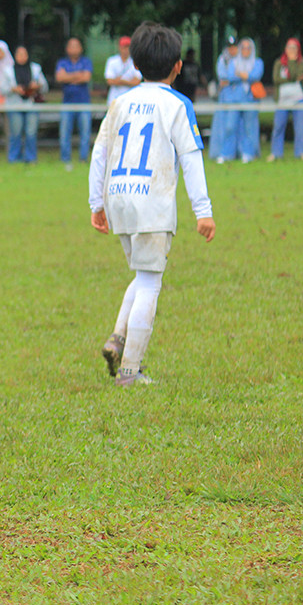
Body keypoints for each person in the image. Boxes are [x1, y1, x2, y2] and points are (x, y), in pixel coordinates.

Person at [88, 21, 215, 386]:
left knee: (143, 274)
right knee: (150, 282)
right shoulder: (178, 104)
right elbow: (191, 157)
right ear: (178, 65)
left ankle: (117, 337)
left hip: (120, 198)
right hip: (152, 201)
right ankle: (129, 372)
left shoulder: (120, 102)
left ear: (136, 65)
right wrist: (203, 211)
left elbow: (100, 154)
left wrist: (97, 202)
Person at [0, 45, 48, 164]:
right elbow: (2, 90)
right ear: (15, 56)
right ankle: (14, 158)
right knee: (15, 133)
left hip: (31, 105)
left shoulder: (36, 69)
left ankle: (31, 158)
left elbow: (45, 87)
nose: (22, 57)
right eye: (19, 54)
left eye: (24, 54)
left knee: (31, 133)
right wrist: (13, 89)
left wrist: (37, 86)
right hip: (14, 105)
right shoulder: (8, 70)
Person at [220, 37, 263, 163]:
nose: (245, 50)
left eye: (248, 48)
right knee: (230, 126)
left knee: (249, 127)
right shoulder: (234, 62)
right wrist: (247, 76)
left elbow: (256, 75)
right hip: (235, 99)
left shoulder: (258, 62)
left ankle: (248, 153)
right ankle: (227, 154)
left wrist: (242, 74)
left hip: (251, 99)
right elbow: (231, 76)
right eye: (243, 48)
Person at [268, 38, 303, 162]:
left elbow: (296, 74)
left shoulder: (301, 62)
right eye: (289, 47)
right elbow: (276, 79)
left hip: (298, 99)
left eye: (294, 47)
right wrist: (292, 78)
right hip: (282, 100)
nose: (291, 50)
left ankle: (300, 152)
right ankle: (275, 153)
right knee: (278, 126)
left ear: (298, 50)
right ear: (285, 49)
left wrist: (291, 62)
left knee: (299, 127)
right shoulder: (278, 63)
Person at [55, 37, 94, 169]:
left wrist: (69, 77)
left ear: (81, 48)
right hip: (67, 103)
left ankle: (83, 158)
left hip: (84, 103)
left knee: (85, 133)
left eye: (76, 46)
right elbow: (60, 77)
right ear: (67, 49)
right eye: (71, 46)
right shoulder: (62, 62)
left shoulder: (86, 61)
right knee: (65, 132)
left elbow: (86, 77)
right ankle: (65, 158)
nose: (74, 49)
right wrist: (78, 76)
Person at [209, 36, 239, 161]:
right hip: (225, 96)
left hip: (237, 95)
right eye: (230, 47)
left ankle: (236, 152)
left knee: (237, 126)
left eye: (234, 47)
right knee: (225, 125)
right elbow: (224, 78)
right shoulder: (223, 59)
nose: (232, 50)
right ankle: (223, 152)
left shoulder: (241, 58)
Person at [105, 36, 142, 105]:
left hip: (131, 100)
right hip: (114, 99)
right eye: (124, 47)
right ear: (119, 47)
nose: (126, 50)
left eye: (128, 47)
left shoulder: (134, 61)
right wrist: (129, 81)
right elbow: (109, 81)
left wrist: (121, 80)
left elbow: (137, 82)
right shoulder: (112, 61)